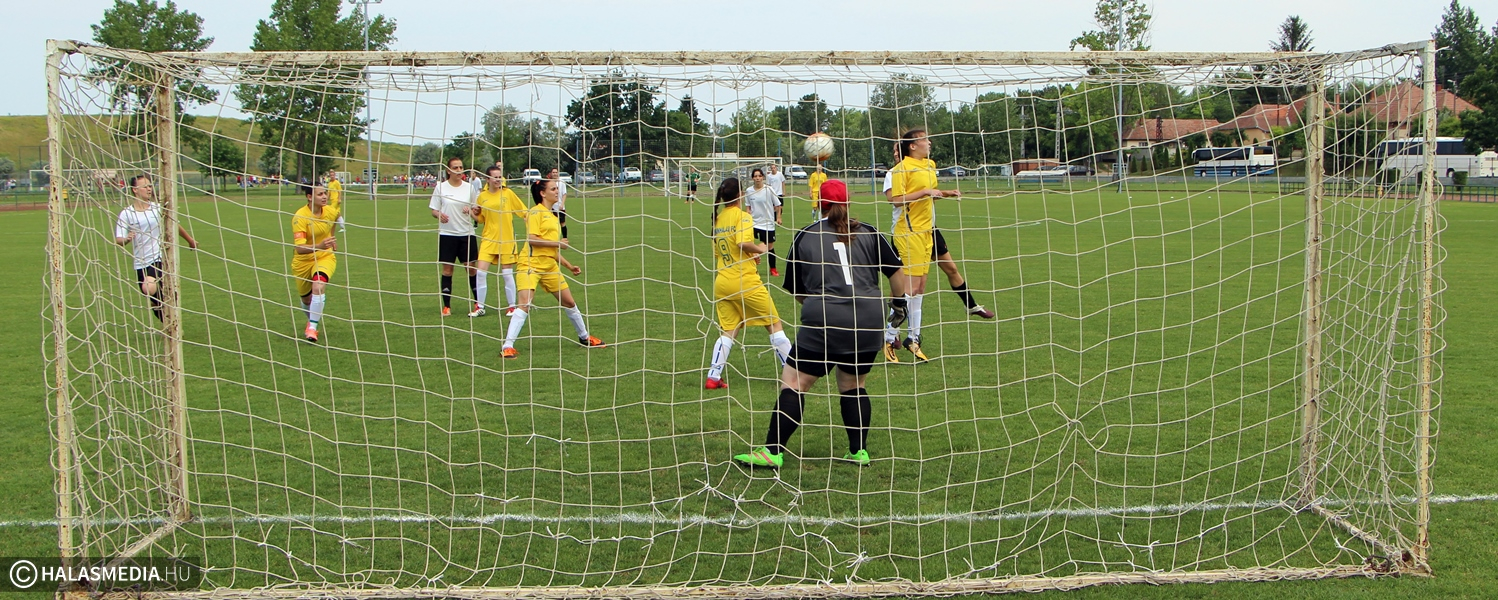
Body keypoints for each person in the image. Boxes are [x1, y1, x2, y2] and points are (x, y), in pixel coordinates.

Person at [732, 179, 908, 469]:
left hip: (824, 319)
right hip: (868, 320)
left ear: (819, 204)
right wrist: (899, 305)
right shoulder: (869, 232)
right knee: (853, 384)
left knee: (794, 383)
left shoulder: (806, 235)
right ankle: (858, 451)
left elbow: (797, 289)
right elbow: (896, 272)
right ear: (848, 202)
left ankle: (772, 451)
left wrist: (819, 307)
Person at [882, 130, 993, 364]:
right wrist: (925, 191)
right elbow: (895, 199)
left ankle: (913, 338)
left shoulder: (929, 165)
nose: (929, 142)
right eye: (924, 139)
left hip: (927, 231)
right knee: (909, 288)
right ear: (912, 145)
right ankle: (889, 338)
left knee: (921, 287)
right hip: (909, 232)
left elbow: (928, 197)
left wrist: (945, 193)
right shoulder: (900, 169)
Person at [704, 177, 794, 389]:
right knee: (773, 323)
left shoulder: (718, 219)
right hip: (744, 281)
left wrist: (750, 255)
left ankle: (713, 377)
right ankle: (795, 372)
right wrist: (760, 248)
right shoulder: (743, 216)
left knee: (729, 330)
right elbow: (743, 243)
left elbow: (721, 252)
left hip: (722, 283)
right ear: (740, 195)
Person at [500, 179, 606, 358]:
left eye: (557, 188)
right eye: (553, 189)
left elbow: (551, 250)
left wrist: (569, 266)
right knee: (525, 303)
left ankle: (584, 337)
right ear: (543, 193)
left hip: (549, 266)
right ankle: (507, 346)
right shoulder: (535, 212)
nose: (557, 191)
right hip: (530, 264)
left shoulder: (553, 217)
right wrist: (558, 243)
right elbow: (532, 239)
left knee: (569, 302)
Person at [113, 175, 198, 323]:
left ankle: (166, 309)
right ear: (135, 190)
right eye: (144, 186)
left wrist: (190, 240)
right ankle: (168, 318)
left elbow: (174, 224)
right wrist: (126, 239)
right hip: (141, 262)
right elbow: (118, 239)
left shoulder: (157, 208)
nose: (149, 189)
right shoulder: (127, 213)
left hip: (160, 256)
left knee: (149, 287)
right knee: (152, 294)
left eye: (150, 186)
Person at [470, 165, 528, 317]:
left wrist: (531, 221)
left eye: (499, 177)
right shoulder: (482, 196)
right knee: (480, 273)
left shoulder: (508, 193)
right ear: (487, 179)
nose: (498, 179)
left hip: (506, 240)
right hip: (488, 239)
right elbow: (481, 219)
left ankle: (512, 307)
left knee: (507, 274)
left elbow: (523, 211)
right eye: (495, 177)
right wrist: (471, 212)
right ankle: (480, 307)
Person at [429, 156, 481, 317]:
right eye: (456, 168)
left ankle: (478, 303)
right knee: (447, 269)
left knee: (471, 268)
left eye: (461, 167)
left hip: (467, 234)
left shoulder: (469, 188)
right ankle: (446, 306)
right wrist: (439, 215)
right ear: (448, 171)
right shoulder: (441, 188)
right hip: (447, 235)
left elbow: (477, 211)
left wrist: (471, 211)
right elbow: (434, 209)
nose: (459, 170)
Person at [290, 183, 339, 342]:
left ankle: (312, 328)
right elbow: (299, 249)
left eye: (325, 193)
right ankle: (311, 320)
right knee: (306, 300)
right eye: (320, 194)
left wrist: (331, 239)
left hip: (324, 256)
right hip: (303, 261)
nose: (324, 197)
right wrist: (319, 245)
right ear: (309, 197)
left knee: (318, 286)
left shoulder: (329, 211)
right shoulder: (300, 217)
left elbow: (336, 216)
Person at [743, 168, 783, 277]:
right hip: (754, 223)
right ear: (752, 178)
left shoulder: (769, 189)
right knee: (747, 244)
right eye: (755, 176)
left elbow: (778, 205)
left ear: (763, 177)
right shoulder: (749, 191)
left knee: (769, 246)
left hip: (768, 223)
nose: (757, 178)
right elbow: (748, 207)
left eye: (759, 176)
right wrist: (747, 219)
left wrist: (779, 217)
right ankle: (750, 267)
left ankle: (773, 269)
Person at [547, 167, 569, 242]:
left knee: (562, 223)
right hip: (551, 207)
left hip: (560, 207)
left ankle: (565, 238)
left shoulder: (562, 182)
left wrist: (562, 204)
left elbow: (564, 194)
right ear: (551, 173)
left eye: (556, 172)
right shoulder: (549, 183)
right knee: (552, 223)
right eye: (553, 172)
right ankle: (552, 238)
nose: (555, 174)